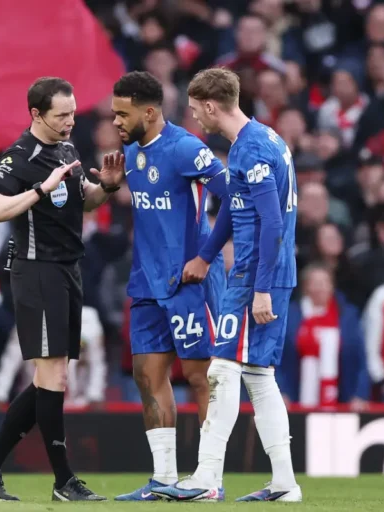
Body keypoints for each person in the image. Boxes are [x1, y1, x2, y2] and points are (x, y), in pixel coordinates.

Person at [0, 77, 125, 502]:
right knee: (52, 376)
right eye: (61, 115)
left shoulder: (65, 148)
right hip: (37, 270)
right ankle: (63, 481)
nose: (71, 122)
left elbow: (82, 202)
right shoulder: (19, 158)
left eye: (72, 113)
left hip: (68, 268)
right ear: (36, 114)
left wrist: (105, 186)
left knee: (53, 377)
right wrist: (39, 189)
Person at [152, 68, 301, 502]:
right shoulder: (266, 138)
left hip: (257, 274)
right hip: (270, 271)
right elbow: (239, 210)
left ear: (212, 105)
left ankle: (205, 478)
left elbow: (272, 221)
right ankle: (285, 483)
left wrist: (260, 288)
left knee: (222, 370)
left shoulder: (250, 150)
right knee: (258, 375)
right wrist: (206, 254)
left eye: (197, 110)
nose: (196, 118)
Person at [108, 71, 229, 501]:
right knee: (146, 375)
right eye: (113, 114)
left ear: (150, 111)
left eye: (123, 115)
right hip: (146, 281)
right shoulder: (131, 151)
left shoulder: (186, 148)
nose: (116, 123)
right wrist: (108, 187)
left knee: (200, 377)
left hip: (188, 282)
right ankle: (163, 479)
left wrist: (206, 257)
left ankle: (210, 479)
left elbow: (232, 194)